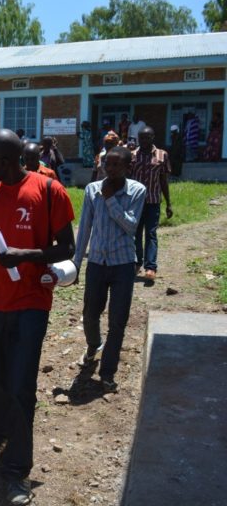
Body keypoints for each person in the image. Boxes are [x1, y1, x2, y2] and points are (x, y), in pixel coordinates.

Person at [0, 129, 75, 505]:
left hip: (31, 303)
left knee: (20, 387)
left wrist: (25, 254)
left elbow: (67, 247)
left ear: (5, 161)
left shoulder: (49, 191)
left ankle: (16, 471)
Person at [74, 146, 146, 393]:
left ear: (128, 167)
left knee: (117, 321)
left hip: (123, 264)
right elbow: (84, 228)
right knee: (90, 313)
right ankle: (94, 344)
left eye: (116, 165)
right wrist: (75, 265)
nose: (110, 169)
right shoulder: (92, 190)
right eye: (107, 163)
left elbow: (131, 226)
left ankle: (107, 372)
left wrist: (110, 199)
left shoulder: (137, 190)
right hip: (96, 263)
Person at [131, 126, 173, 281]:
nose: (144, 140)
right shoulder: (132, 155)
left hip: (153, 201)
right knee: (135, 234)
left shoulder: (162, 155)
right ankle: (136, 263)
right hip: (136, 203)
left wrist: (169, 203)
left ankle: (150, 267)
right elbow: (127, 180)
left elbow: (163, 181)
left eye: (147, 137)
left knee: (151, 234)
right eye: (141, 138)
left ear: (153, 137)